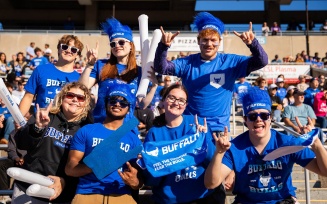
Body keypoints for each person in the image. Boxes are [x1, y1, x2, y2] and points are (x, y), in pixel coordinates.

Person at [204, 88, 327, 203]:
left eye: (264, 115)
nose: (258, 120)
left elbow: (324, 171)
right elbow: (211, 183)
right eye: (252, 116)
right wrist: (219, 153)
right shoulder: (235, 147)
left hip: (282, 200)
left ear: (271, 118)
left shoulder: (287, 142)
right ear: (245, 120)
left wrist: (317, 145)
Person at [154, 11, 268, 134]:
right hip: (190, 127)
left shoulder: (230, 62)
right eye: (205, 40)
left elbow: (262, 61)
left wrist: (253, 44)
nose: (209, 44)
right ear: (198, 41)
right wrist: (163, 46)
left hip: (218, 129)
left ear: (220, 41)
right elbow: (162, 68)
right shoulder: (188, 62)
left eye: (213, 40)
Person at [12, 82, 93, 204]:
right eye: (70, 95)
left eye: (81, 98)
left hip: (62, 193)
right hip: (28, 186)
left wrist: (64, 181)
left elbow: (85, 167)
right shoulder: (44, 115)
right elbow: (22, 145)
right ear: (62, 97)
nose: (75, 99)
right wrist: (37, 127)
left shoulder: (88, 129)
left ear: (86, 103)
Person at [143, 83, 225, 204]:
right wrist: (147, 163)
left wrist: (204, 142)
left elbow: (213, 162)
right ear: (163, 101)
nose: (176, 103)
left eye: (181, 100)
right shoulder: (154, 133)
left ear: (186, 105)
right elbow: (152, 179)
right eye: (172, 98)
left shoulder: (198, 124)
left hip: (203, 197)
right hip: (170, 200)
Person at [65, 83, 142, 204]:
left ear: (128, 109)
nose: (117, 104)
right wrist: (95, 166)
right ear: (106, 103)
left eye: (123, 103)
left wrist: (136, 183)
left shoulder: (133, 139)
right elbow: (70, 169)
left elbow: (138, 179)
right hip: (87, 194)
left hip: (121, 196)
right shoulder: (87, 131)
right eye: (113, 100)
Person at [79, 17, 158, 123]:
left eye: (121, 42)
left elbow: (143, 104)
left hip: (124, 127)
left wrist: (154, 86)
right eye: (113, 44)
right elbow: (82, 88)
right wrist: (89, 65)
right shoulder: (101, 65)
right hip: (100, 122)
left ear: (130, 45)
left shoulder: (139, 71)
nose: (117, 46)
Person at [19, 35, 84, 117]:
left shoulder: (79, 78)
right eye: (65, 47)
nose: (68, 50)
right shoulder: (41, 70)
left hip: (63, 124)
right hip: (40, 121)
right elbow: (28, 97)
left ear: (77, 55)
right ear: (59, 49)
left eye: (73, 49)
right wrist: (19, 119)